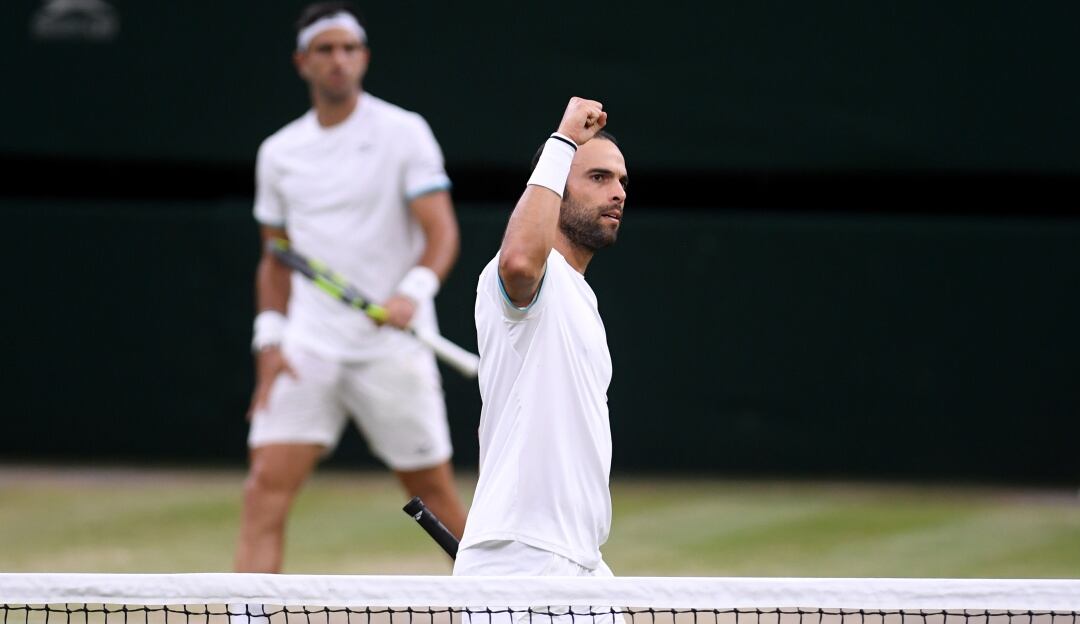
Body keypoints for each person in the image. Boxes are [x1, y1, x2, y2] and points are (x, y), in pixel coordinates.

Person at [235, 1, 467, 573]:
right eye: (325, 50)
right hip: (308, 346)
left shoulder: (404, 132)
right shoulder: (279, 152)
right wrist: (269, 342)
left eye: (348, 49)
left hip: (393, 346)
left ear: (363, 58)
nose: (338, 60)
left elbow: (441, 232)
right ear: (303, 63)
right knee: (265, 487)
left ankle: (500, 610)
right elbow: (276, 258)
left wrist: (410, 292)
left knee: (432, 493)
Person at [453, 97, 629, 578]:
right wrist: (564, 140)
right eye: (598, 178)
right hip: (524, 558)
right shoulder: (531, 273)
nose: (617, 193)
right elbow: (519, 262)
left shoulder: (580, 297)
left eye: (620, 181)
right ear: (555, 187)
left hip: (577, 561)